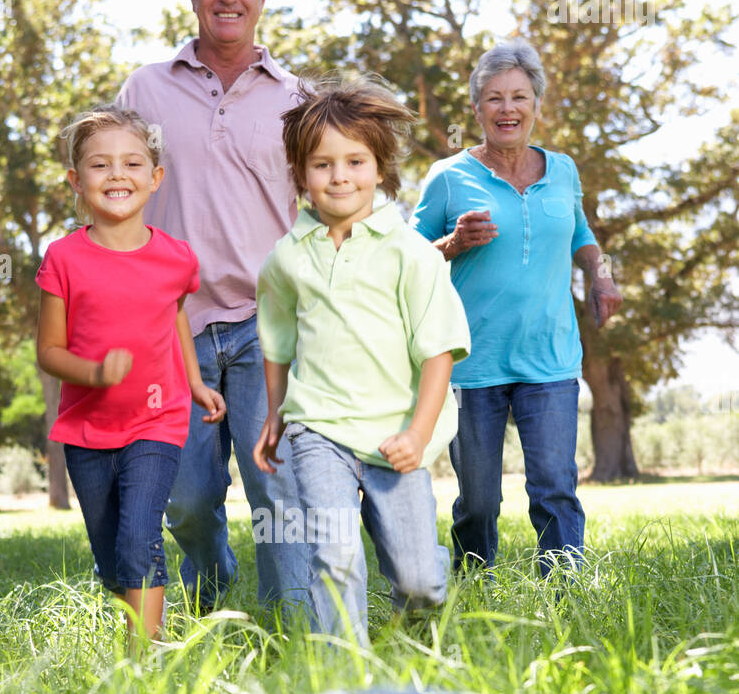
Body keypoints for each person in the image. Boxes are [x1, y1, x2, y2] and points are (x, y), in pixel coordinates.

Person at [116, 0, 308, 613]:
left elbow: (326, 210)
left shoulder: (296, 100)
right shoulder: (143, 90)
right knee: (189, 498)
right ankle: (213, 572)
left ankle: (295, 632)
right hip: (173, 329)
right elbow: (115, 195)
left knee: (277, 487)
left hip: (270, 323)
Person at [253, 76, 471, 645]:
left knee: (419, 579)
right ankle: (342, 672)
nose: (340, 176)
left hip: (394, 434)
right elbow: (277, 341)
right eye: (322, 165)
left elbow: (438, 350)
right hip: (317, 427)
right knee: (336, 554)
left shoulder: (412, 254)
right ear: (301, 175)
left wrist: (419, 434)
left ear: (380, 169)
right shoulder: (286, 257)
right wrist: (276, 416)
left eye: (355, 161)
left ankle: (416, 623)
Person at [412, 38, 622, 574]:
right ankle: (474, 583)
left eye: (519, 97)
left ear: (536, 104)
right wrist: (453, 243)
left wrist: (602, 276)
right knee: (478, 501)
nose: (507, 108)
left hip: (549, 357)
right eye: (494, 98)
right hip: (472, 359)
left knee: (555, 487)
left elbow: (581, 231)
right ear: (477, 108)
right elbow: (407, 260)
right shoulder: (447, 176)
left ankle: (565, 592)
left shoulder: (564, 170)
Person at [35, 105, 225, 653]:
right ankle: (136, 629)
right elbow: (48, 351)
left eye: (132, 163)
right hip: (87, 431)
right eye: (100, 165)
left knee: (140, 536)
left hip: (157, 420)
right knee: (112, 551)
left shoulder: (176, 258)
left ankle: (145, 656)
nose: (117, 175)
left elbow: (176, 318)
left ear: (154, 178)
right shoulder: (63, 258)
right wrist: (93, 373)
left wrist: (193, 383)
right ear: (77, 180)